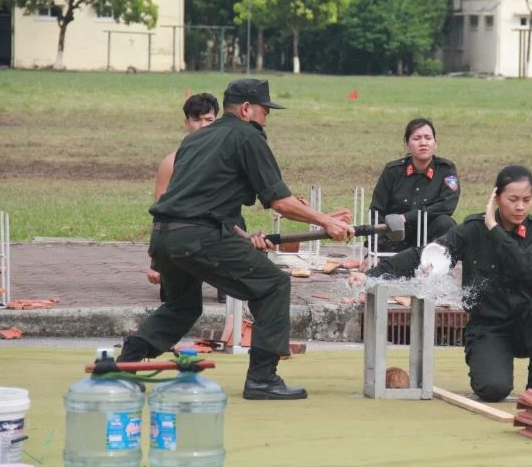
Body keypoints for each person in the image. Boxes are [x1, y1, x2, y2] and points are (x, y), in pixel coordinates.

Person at [118, 78, 355, 400]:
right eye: (265, 111)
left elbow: (204, 201)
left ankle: (125, 363)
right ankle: (262, 379)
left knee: (181, 307)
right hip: (198, 236)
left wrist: (246, 238)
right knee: (273, 285)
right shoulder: (247, 137)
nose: (267, 118)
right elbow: (280, 201)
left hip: (164, 236)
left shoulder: (196, 140)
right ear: (246, 109)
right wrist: (326, 221)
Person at [351, 165, 532, 402]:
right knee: (493, 390)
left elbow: (527, 266)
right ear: (496, 197)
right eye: (512, 199)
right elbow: (426, 255)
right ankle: (493, 361)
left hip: (527, 325)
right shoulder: (473, 229)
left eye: (526, 199)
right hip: (489, 326)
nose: (520, 207)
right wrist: (373, 275)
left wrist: (494, 228)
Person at [146, 93, 222, 302]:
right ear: (186, 123)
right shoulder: (171, 162)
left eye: (209, 120)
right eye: (196, 120)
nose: (202, 126)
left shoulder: (225, 158)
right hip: (181, 237)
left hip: (215, 233)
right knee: (176, 300)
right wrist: (156, 262)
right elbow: (160, 212)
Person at [368, 118, 459, 253]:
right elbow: (377, 210)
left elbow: (447, 205)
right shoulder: (392, 171)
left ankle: (438, 266)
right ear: (407, 144)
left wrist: (406, 217)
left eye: (428, 138)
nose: (423, 143)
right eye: (417, 138)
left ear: (435, 143)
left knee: (445, 223)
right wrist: (374, 250)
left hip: (428, 240)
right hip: (395, 239)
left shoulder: (446, 169)